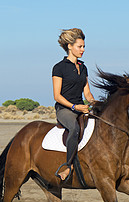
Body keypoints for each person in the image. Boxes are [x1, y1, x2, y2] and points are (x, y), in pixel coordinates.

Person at [52, 28, 95, 181]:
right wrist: (74, 107)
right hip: (65, 109)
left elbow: (87, 94)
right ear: (70, 46)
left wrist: (94, 103)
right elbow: (57, 96)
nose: (83, 50)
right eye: (80, 46)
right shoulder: (59, 67)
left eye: (84, 46)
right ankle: (68, 167)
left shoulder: (83, 67)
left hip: (81, 107)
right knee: (74, 128)